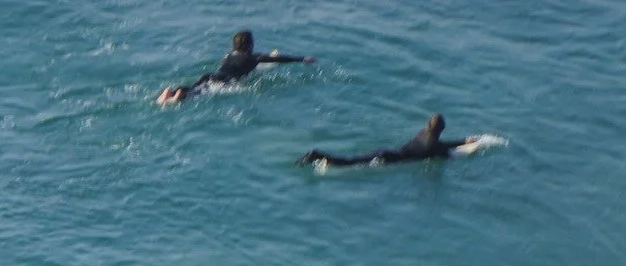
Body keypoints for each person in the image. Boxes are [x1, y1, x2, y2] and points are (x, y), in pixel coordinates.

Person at [158, 31, 313, 106]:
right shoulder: (253, 58)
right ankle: (178, 96)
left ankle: (173, 92)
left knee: (196, 88)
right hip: (224, 81)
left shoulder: (228, 55)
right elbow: (277, 59)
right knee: (200, 94)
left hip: (210, 75)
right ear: (250, 46)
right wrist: (302, 59)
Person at [299, 113, 477, 168]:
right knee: (349, 163)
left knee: (352, 159)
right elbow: (445, 150)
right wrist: (466, 144)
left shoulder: (422, 134)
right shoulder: (436, 147)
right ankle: (317, 155)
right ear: (442, 130)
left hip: (387, 152)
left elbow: (444, 145)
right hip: (388, 159)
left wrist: (463, 141)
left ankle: (318, 155)